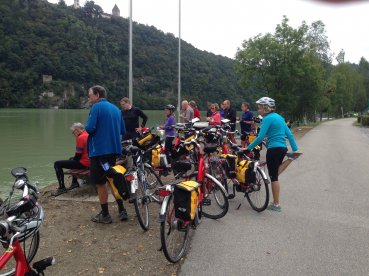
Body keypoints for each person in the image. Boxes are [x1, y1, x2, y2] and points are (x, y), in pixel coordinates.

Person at [246, 97, 302, 212]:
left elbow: (260, 137)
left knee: (274, 177)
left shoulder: (267, 119)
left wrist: (248, 148)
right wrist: (295, 149)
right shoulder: (280, 118)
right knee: (274, 174)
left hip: (273, 150)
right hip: (282, 149)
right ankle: (291, 157)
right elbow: (289, 135)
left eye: (260, 107)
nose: (258, 110)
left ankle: (276, 205)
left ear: (266, 108)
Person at [86, 85, 127, 224]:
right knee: (112, 178)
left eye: (90, 95)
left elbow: (90, 128)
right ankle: (122, 210)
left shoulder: (96, 107)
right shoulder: (116, 109)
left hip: (98, 152)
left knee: (100, 183)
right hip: (113, 151)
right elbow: (122, 130)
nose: (89, 98)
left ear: (97, 95)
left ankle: (105, 215)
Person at [52, 123, 90, 196]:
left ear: (76, 130)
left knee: (57, 164)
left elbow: (78, 156)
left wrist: (73, 160)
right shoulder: (87, 134)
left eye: (73, 132)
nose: (73, 134)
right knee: (71, 158)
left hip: (85, 163)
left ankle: (62, 188)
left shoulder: (81, 137)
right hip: (90, 161)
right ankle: (74, 183)